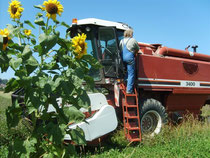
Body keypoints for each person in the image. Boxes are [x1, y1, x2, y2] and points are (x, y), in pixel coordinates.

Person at [119, 29, 140, 94]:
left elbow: (120, 49)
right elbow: (137, 49)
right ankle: (129, 90)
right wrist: (135, 53)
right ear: (131, 34)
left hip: (122, 58)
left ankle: (125, 81)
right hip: (129, 58)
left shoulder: (121, 41)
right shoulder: (133, 40)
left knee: (127, 71)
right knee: (131, 73)